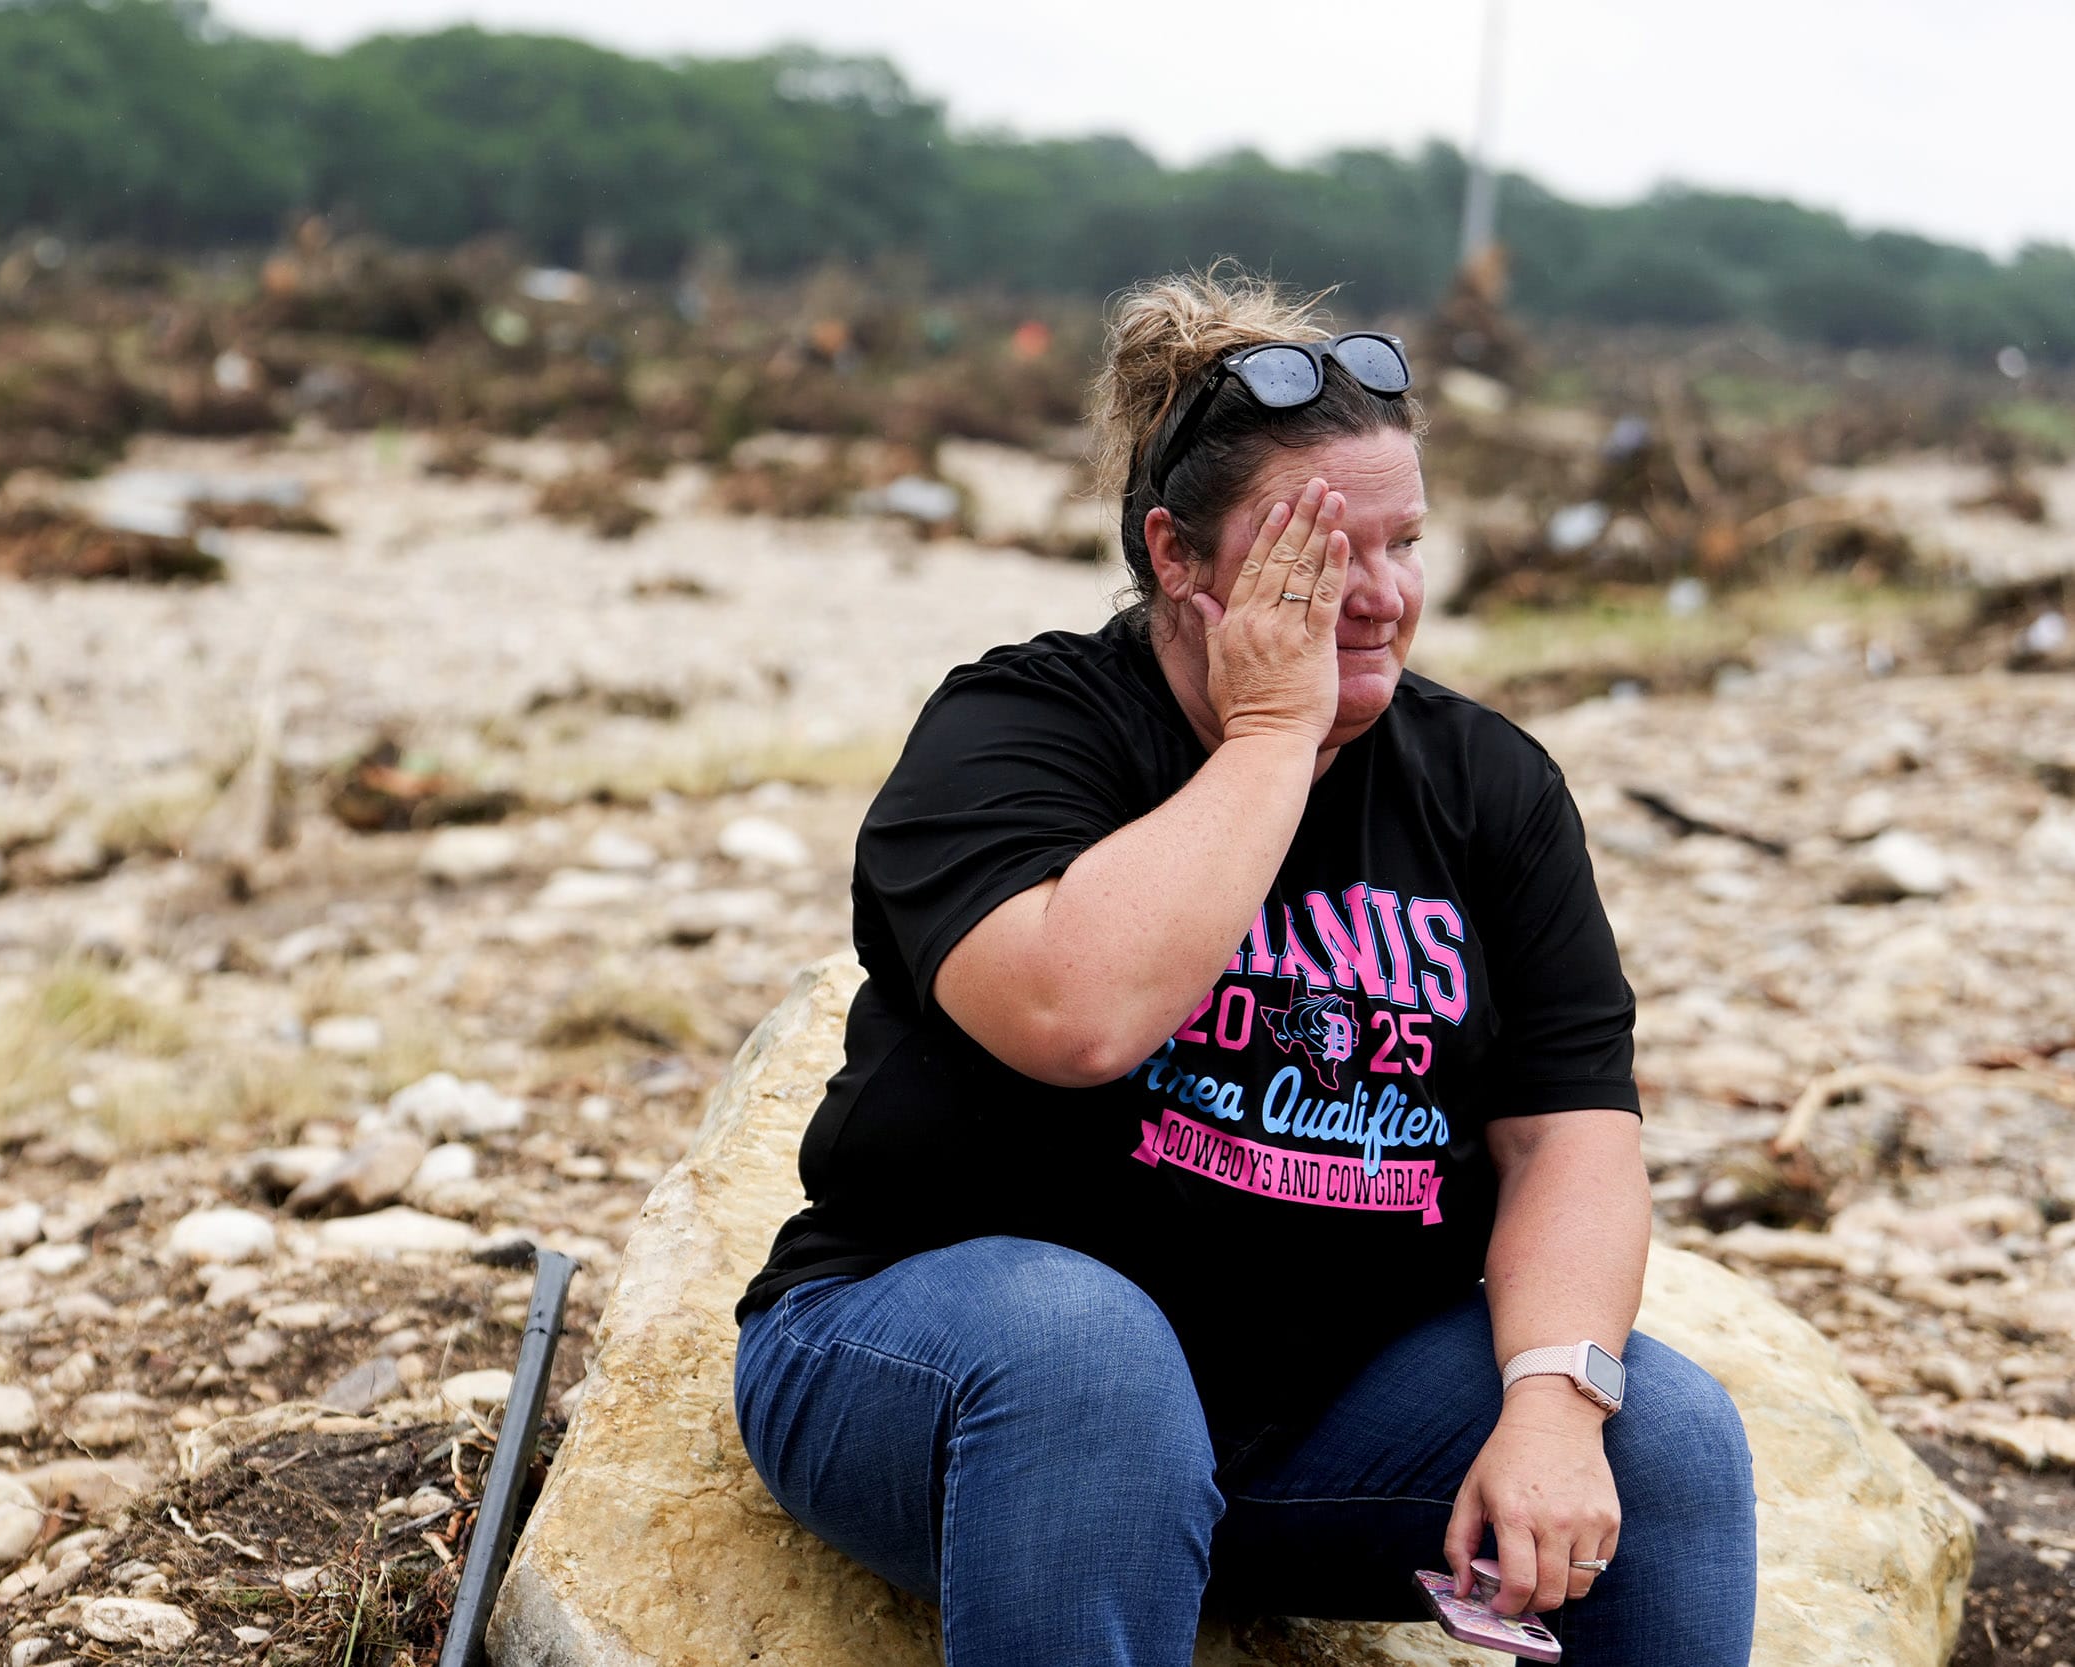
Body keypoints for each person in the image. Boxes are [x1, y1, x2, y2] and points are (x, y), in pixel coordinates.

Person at [732, 270, 1758, 1667]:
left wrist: (1554, 1404)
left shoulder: (1489, 790)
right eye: (1321, 557)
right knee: (1090, 1354)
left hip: (1305, 1434)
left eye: (1406, 544)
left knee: (1673, 1442)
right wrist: (1273, 736)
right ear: (1178, 555)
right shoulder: (1021, 728)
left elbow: (1570, 1137)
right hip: (947, 1381)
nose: (1382, 597)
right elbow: (1078, 1015)